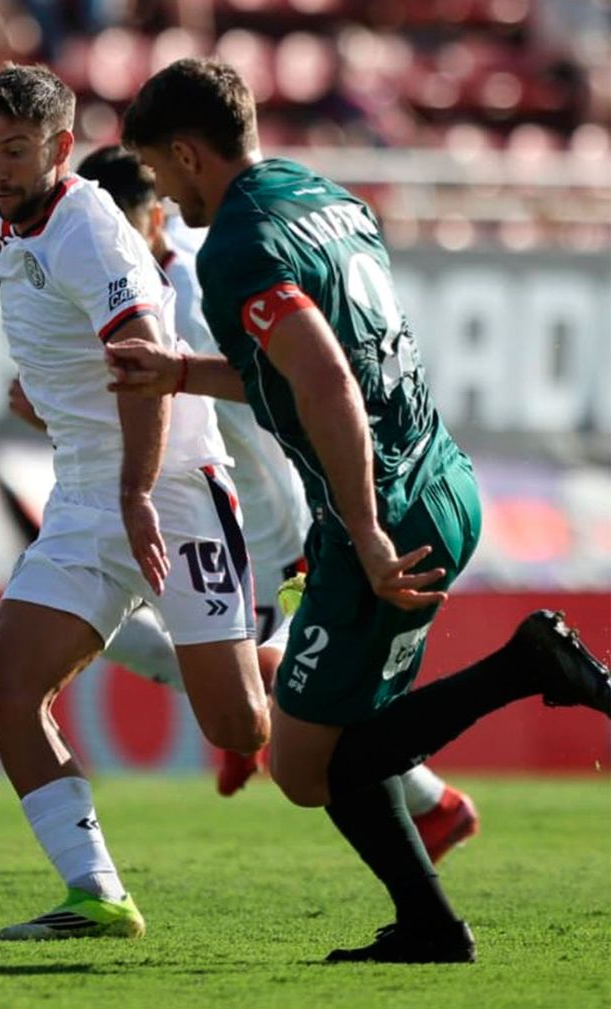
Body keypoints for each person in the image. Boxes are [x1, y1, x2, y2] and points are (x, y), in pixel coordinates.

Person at [111, 58, 611, 962]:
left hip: (385, 514)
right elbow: (308, 368)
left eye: (158, 169)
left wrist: (368, 532)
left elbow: (327, 380)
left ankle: (527, 663)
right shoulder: (321, 195)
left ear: (186, 153)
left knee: (307, 768)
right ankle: (428, 923)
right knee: (337, 741)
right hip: (441, 479)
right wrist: (181, 372)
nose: (165, 194)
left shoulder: (235, 246)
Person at [7, 143, 474, 861]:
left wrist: (293, 539)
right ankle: (265, 730)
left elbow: (249, 407)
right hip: (171, 504)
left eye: (120, 227)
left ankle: (429, 801)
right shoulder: (102, 278)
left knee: (293, 690)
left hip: (255, 518)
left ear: (152, 221)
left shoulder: (193, 294)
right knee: (140, 641)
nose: (105, 244)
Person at [0, 64, 270, 940]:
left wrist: (136, 492)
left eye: (16, 150)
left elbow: (145, 358)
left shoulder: (90, 231)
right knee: (5, 690)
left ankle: (317, 663)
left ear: (61, 148)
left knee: (240, 723)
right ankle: (96, 893)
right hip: (85, 497)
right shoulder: (19, 215)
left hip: (170, 489)